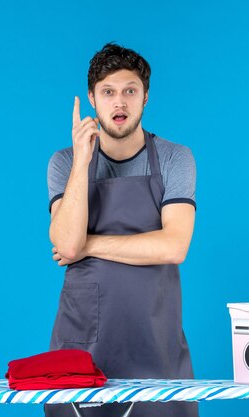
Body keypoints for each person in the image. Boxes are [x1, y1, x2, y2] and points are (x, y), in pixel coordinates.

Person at [45, 43, 198, 417]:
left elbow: (174, 246)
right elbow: (65, 241)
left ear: (146, 97)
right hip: (82, 343)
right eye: (108, 92)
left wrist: (90, 244)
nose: (120, 102)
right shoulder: (64, 162)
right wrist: (83, 162)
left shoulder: (175, 158)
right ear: (93, 101)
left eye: (130, 90)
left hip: (155, 339)